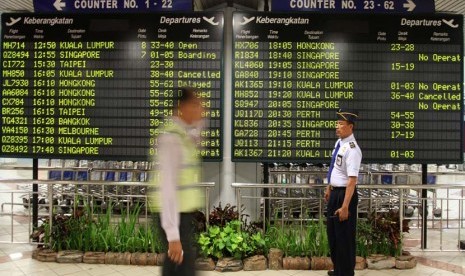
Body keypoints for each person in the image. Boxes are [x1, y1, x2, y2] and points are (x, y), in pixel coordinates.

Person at [149, 87, 205, 276]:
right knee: (182, 267)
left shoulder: (183, 134)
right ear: (183, 107)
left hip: (182, 215)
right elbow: (167, 186)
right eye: (196, 105)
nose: (201, 110)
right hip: (173, 216)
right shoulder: (171, 138)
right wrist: (173, 235)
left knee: (177, 268)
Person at [324, 109, 362, 276]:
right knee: (333, 235)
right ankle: (338, 269)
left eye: (340, 124)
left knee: (344, 237)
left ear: (350, 127)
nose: (337, 127)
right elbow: (335, 168)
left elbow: (352, 180)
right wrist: (329, 187)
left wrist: (345, 206)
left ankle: (346, 273)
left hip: (344, 196)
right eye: (336, 124)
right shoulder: (339, 144)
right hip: (335, 193)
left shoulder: (353, 150)